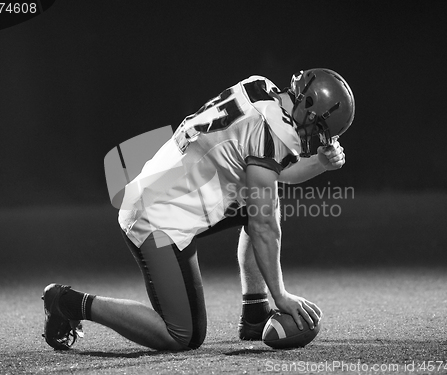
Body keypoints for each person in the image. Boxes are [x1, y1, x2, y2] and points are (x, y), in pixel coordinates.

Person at [42, 68, 355, 351]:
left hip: (166, 190)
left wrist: (319, 164)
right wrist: (282, 295)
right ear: (308, 109)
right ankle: (69, 303)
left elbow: (272, 171)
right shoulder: (270, 134)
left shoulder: (261, 88)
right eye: (318, 131)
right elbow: (264, 226)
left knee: (260, 203)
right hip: (156, 217)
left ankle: (255, 313)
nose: (312, 139)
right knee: (182, 335)